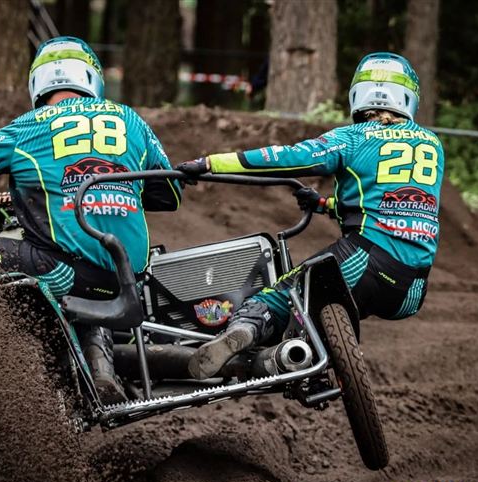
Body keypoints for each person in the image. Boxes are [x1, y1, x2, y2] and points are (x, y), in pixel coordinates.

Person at [0, 36, 184, 401]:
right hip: (126, 278)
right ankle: (96, 362)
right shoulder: (131, 120)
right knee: (73, 261)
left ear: (38, 83)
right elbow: (170, 193)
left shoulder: (29, 127)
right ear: (92, 79)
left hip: (61, 271)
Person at [177, 52, 444, 379]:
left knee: (280, 295)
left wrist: (211, 163)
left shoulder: (354, 138)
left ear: (358, 94)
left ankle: (245, 328)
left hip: (365, 260)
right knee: (324, 300)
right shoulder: (432, 144)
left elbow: (287, 158)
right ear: (409, 97)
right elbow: (393, 200)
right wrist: (325, 205)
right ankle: (313, 350)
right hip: (413, 286)